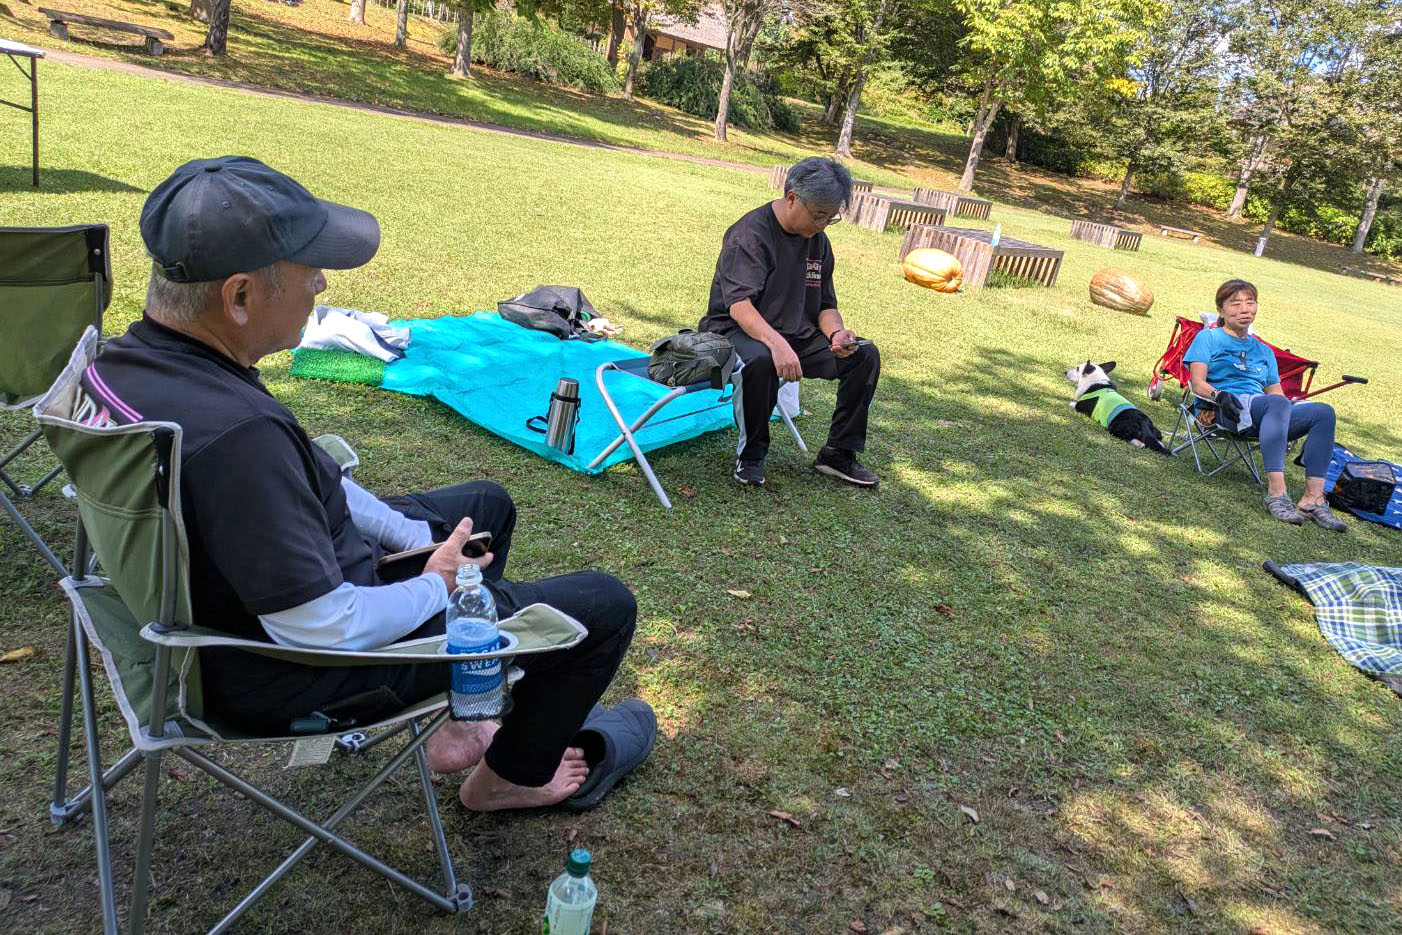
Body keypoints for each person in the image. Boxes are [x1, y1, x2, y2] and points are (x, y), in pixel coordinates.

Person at [75, 156, 646, 810]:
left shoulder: (129, 362)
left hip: (231, 602)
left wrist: (410, 537)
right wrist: (434, 583)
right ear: (239, 297)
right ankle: (508, 777)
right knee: (603, 605)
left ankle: (468, 712)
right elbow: (322, 627)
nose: (321, 283)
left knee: (485, 507)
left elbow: (315, 483)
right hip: (292, 670)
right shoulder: (240, 439)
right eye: (309, 270)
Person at [699, 156, 881, 488]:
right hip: (734, 331)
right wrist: (777, 344)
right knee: (760, 359)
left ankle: (838, 453)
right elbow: (740, 307)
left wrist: (837, 334)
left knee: (864, 355)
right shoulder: (750, 234)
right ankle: (751, 456)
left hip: (795, 333)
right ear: (792, 197)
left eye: (830, 218)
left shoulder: (819, 242)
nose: (822, 225)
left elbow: (825, 305)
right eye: (818, 215)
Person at [1185, 279, 1347, 531]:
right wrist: (1218, 396)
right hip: (1226, 409)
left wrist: (1292, 408)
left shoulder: (1264, 351)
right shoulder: (1208, 337)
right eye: (1235, 303)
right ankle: (1276, 494)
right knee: (1276, 404)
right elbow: (1197, 383)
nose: (1244, 309)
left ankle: (1313, 499)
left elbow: (1277, 395)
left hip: (1264, 412)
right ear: (1221, 310)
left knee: (1323, 412)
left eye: (1250, 302)